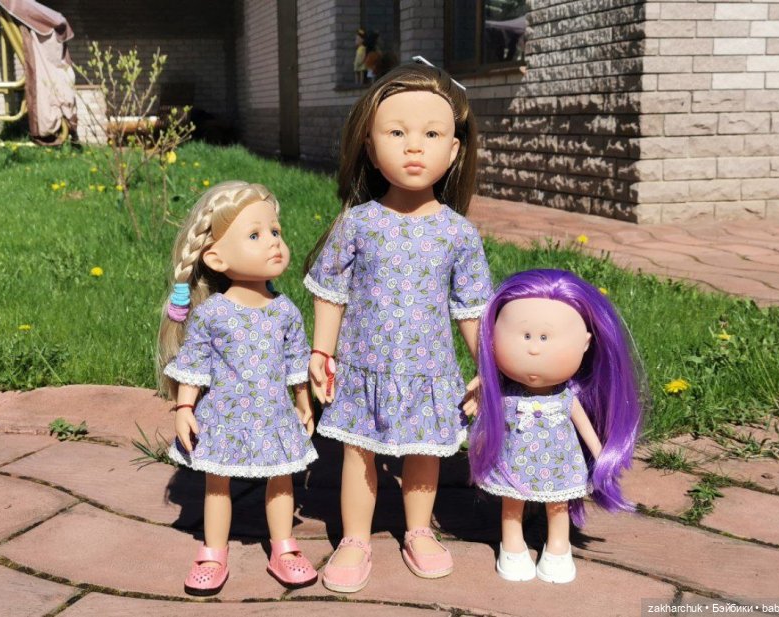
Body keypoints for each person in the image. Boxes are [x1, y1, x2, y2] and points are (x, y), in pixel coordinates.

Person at [303, 62, 492, 593]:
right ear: (369, 146)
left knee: (424, 454)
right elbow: (330, 291)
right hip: (362, 367)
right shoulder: (359, 222)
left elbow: (471, 307)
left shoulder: (458, 233)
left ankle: (418, 530)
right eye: (396, 133)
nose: (414, 147)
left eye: (431, 134)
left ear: (453, 151)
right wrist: (321, 352)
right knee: (357, 452)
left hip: (429, 371)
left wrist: (487, 367)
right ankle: (354, 539)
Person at [158, 181, 319, 595]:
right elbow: (195, 363)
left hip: (273, 416)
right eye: (255, 235)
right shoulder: (213, 313)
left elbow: (295, 361)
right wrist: (184, 408)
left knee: (282, 479)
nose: (274, 242)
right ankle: (214, 552)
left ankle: (283, 546)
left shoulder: (285, 311)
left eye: (275, 231)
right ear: (215, 257)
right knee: (218, 484)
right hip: (224, 418)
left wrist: (303, 402)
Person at [468, 270, 643, 584]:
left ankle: (558, 547)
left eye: (545, 338)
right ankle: (512, 544)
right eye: (525, 336)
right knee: (512, 501)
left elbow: (586, 429)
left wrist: (602, 455)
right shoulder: (506, 395)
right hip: (515, 462)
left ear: (586, 344)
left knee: (558, 504)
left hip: (559, 464)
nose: (534, 349)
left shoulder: (566, 398)